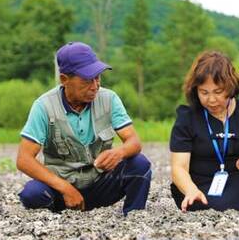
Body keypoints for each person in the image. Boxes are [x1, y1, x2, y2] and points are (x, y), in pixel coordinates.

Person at [16, 42, 152, 215]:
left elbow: (134, 141)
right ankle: (55, 220)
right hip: (62, 188)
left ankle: (134, 217)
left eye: (98, 77)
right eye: (87, 80)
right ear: (64, 79)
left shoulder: (109, 99)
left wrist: (119, 153)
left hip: (100, 182)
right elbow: (24, 159)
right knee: (32, 194)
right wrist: (65, 188)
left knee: (140, 164)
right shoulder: (43, 106)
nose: (95, 85)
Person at [170, 51, 239, 212]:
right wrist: (190, 190)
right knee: (197, 199)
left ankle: (224, 207)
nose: (211, 99)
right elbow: (179, 167)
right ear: (195, 90)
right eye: (204, 92)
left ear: (230, 87)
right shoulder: (187, 117)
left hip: (238, 180)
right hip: (199, 186)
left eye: (218, 92)